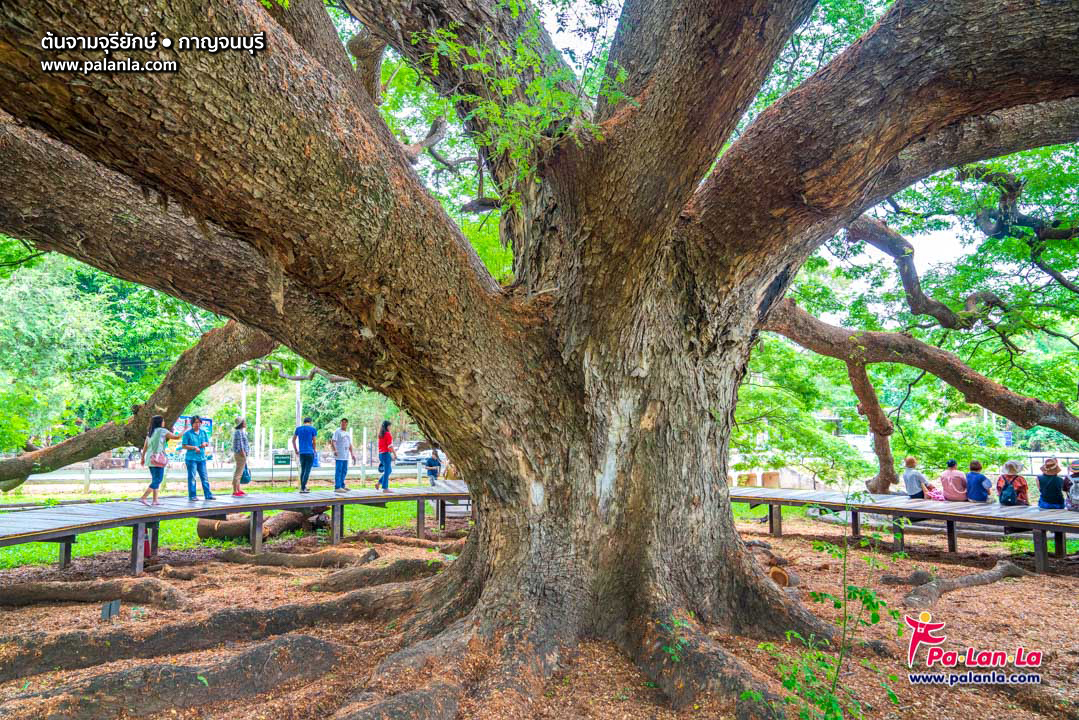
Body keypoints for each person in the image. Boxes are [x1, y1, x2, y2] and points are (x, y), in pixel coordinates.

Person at [139, 415, 181, 506]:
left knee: (155, 479)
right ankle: (143, 497)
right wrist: (185, 429)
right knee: (158, 480)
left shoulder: (150, 432)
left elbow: (145, 447)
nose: (164, 422)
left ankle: (155, 501)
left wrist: (142, 458)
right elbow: (176, 437)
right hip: (158, 459)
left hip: (150, 459)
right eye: (163, 421)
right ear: (160, 422)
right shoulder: (162, 431)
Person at [181, 416, 214, 501]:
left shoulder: (203, 432)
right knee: (192, 477)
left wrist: (204, 443)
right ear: (192, 423)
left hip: (202, 458)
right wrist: (194, 447)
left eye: (199, 422)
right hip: (191, 459)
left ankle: (208, 495)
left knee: (204, 477)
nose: (198, 424)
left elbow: (207, 443)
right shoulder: (187, 434)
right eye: (196, 422)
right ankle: (192, 496)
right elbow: (184, 446)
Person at [330, 418, 356, 493]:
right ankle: (337, 487)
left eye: (345, 422)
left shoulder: (347, 433)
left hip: (346, 455)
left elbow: (349, 444)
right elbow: (333, 441)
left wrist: (352, 454)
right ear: (340, 423)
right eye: (342, 422)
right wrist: (335, 450)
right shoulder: (337, 432)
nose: (343, 424)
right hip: (339, 455)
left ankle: (342, 485)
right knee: (339, 470)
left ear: (347, 424)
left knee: (344, 471)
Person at [292, 417, 317, 494]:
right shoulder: (312, 429)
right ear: (310, 422)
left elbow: (293, 440)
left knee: (303, 469)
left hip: (302, 452)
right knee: (307, 470)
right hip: (309, 452)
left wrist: (296, 450)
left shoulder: (298, 429)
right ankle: (303, 488)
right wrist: (314, 450)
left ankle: (303, 486)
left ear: (304, 422)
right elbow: (314, 441)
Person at [231, 418, 250, 497]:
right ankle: (235, 490)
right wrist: (243, 452)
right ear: (241, 423)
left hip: (241, 453)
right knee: (238, 473)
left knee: (240, 472)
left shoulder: (241, 431)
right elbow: (241, 443)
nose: (245, 422)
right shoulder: (238, 432)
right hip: (240, 454)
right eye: (244, 421)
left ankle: (238, 489)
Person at [377, 420, 396, 493]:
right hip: (386, 454)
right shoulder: (387, 434)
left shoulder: (381, 434)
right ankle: (385, 488)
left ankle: (379, 483)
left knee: (389, 470)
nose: (390, 427)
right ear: (387, 426)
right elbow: (390, 446)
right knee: (387, 470)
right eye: (389, 426)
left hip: (381, 454)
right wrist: (395, 454)